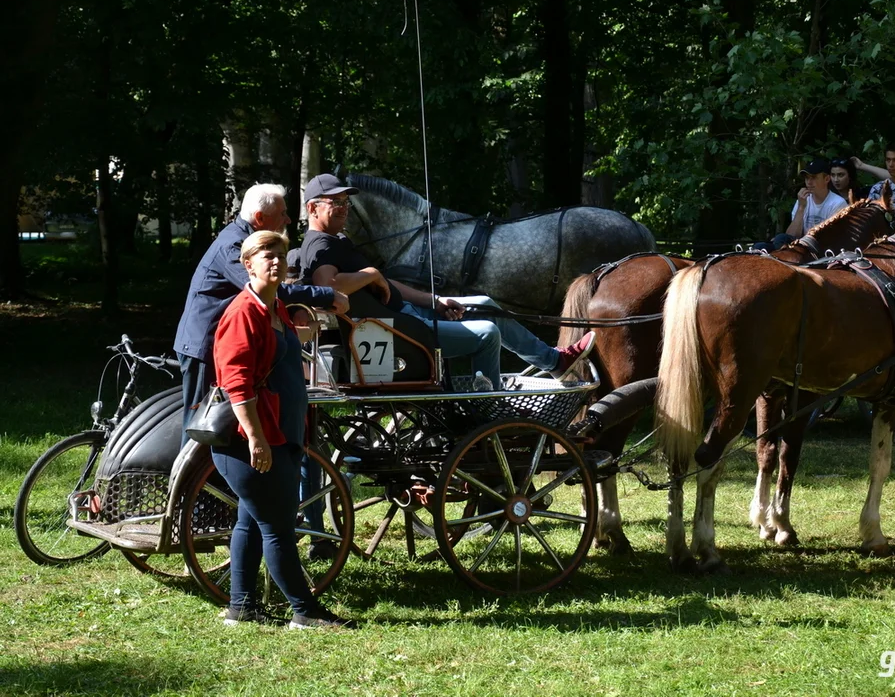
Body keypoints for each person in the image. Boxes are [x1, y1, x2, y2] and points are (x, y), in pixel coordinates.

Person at [297, 173, 595, 387]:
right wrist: (371, 274)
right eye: (336, 203)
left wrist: (436, 301)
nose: (345, 210)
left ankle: (554, 362)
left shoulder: (337, 242)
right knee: (487, 334)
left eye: (347, 203)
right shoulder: (320, 245)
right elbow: (328, 288)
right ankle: (487, 409)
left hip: (406, 316)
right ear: (313, 208)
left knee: (485, 304)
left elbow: (387, 285)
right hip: (398, 331)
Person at [212, 229, 354, 629]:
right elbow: (235, 382)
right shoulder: (243, 312)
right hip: (252, 441)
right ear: (248, 264)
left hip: (281, 434)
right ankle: (304, 612)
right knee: (277, 527)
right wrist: (256, 438)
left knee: (250, 520)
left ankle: (242, 608)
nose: (275, 261)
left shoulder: (274, 309)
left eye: (280, 254)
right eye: (265, 255)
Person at [174, 183, 349, 435]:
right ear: (260, 218)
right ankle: (188, 475)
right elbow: (268, 291)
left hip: (221, 343)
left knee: (221, 425)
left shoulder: (245, 241)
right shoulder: (235, 247)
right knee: (202, 427)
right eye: (282, 214)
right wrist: (326, 294)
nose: (288, 219)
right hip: (205, 345)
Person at [786, 158, 848, 239]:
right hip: (801, 247)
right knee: (775, 241)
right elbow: (791, 236)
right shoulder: (802, 201)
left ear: (827, 179)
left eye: (813, 177)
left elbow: (832, 239)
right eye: (807, 178)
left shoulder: (838, 203)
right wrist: (801, 208)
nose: (809, 182)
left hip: (822, 248)